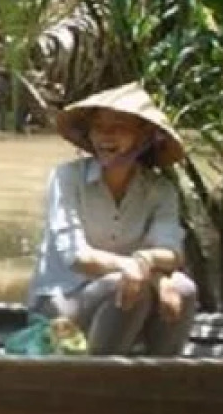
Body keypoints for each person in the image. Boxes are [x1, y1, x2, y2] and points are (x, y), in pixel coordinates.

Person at [27, 83, 197, 356]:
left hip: (129, 290)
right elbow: (77, 256)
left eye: (118, 126)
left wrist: (147, 266)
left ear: (144, 137)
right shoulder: (67, 178)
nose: (106, 135)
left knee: (184, 289)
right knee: (127, 286)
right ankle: (99, 376)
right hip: (63, 301)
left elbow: (171, 251)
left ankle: (161, 377)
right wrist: (137, 271)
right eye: (99, 127)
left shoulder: (159, 190)